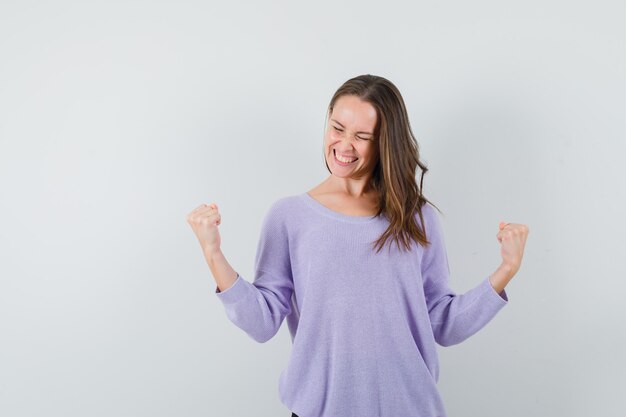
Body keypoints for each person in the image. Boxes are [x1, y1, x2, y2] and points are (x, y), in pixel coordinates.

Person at [186, 74, 529, 417]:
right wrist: (213, 253)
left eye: (362, 136)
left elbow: (443, 323)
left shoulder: (417, 217)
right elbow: (261, 322)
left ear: (385, 143)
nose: (344, 145)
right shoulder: (289, 217)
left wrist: (506, 270)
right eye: (337, 128)